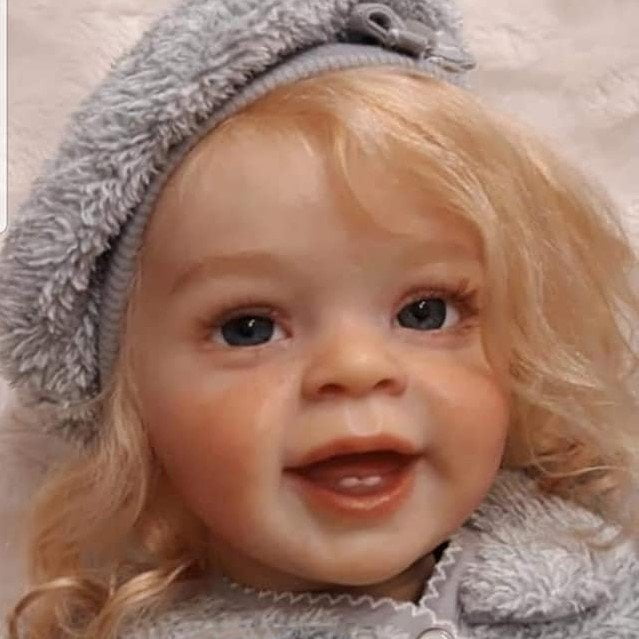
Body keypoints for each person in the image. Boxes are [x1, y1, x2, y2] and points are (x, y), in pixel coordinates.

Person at [1, 1, 638, 637]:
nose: (356, 367)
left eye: (425, 313)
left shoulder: (598, 576)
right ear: (132, 406)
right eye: (249, 327)